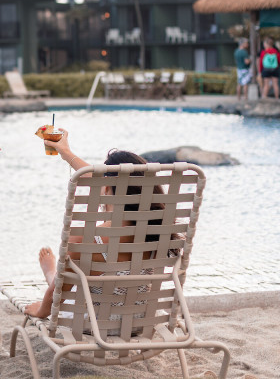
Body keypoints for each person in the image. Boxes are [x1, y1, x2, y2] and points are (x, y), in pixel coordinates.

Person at [23, 131, 177, 320]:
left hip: (98, 325)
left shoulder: (86, 239)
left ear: (105, 188)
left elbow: (60, 294)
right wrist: (66, 153)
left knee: (67, 281)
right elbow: (105, 182)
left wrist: (40, 311)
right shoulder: (160, 231)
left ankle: (51, 273)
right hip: (144, 321)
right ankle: (54, 273)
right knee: (76, 275)